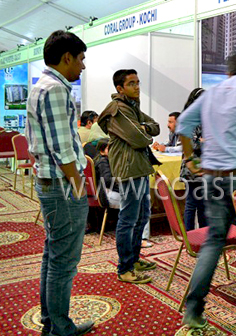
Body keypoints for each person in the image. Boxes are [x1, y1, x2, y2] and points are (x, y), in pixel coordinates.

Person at [176, 53, 236, 330]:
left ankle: (194, 307)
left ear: (228, 73)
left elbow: (183, 124)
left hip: (211, 177)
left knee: (214, 241)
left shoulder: (211, 94)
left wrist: (189, 158)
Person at [26, 30, 94, 336]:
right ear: (67, 57)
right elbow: (62, 147)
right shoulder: (55, 89)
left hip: (51, 182)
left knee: (53, 254)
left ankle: (51, 321)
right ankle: (60, 328)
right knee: (64, 261)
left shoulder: (41, 86)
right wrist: (79, 186)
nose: (83, 66)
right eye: (80, 59)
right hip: (63, 186)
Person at [98, 69, 160, 284]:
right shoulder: (119, 109)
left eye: (138, 82)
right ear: (120, 88)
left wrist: (144, 129)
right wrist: (145, 134)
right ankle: (124, 268)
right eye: (131, 83)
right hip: (129, 169)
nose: (137, 87)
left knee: (142, 216)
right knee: (129, 219)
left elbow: (155, 127)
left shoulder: (132, 106)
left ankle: (133, 260)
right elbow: (141, 139)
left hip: (139, 167)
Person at [178, 88, 206, 231]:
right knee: (192, 204)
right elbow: (192, 144)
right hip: (192, 169)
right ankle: (189, 235)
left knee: (201, 205)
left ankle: (201, 233)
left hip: (200, 167)